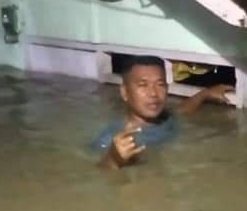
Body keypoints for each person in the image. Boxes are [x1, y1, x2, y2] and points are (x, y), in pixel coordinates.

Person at [94, 55, 233, 169]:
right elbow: (94, 173)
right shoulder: (112, 138)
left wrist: (205, 94)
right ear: (124, 92)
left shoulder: (165, 118)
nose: (154, 93)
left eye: (160, 85)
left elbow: (182, 109)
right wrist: (112, 160)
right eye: (143, 85)